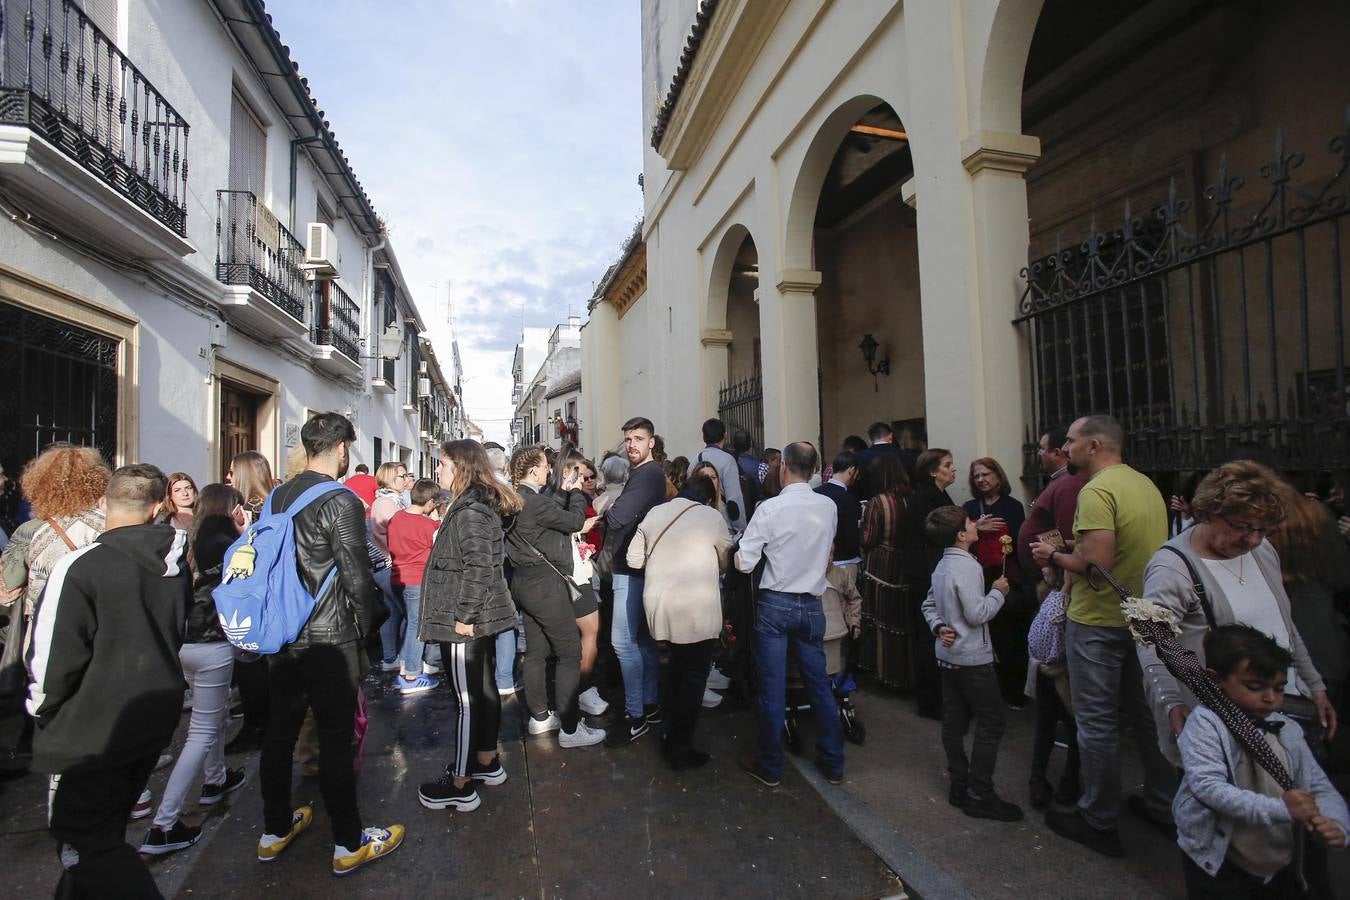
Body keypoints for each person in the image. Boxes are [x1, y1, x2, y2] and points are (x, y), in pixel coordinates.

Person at [26, 464, 188, 897]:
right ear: (158, 507)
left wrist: (42, 714)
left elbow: (51, 657)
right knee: (101, 835)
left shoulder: (79, 568)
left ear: (103, 503)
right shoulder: (174, 561)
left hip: (91, 727)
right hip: (151, 714)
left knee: (85, 843)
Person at [255, 412, 403, 876]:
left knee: (279, 732)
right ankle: (348, 841)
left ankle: (274, 830)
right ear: (341, 448)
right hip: (330, 636)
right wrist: (370, 626)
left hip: (281, 633)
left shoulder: (277, 495)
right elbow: (358, 576)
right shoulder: (341, 500)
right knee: (336, 740)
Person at [1031, 414, 1175, 857]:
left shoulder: (1096, 490)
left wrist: (1052, 553)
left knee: (1096, 723)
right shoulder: (1144, 485)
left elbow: (1097, 566)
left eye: (1071, 441)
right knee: (1147, 716)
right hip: (1141, 618)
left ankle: (1098, 816)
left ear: (1093, 446)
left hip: (1098, 622)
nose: (1065, 448)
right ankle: (1163, 803)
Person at [1138, 462, 1334, 762]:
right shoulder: (1172, 568)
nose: (1253, 539)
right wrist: (1171, 701)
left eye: (1262, 529)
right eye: (1241, 527)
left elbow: (1284, 625)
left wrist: (1314, 686)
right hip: (1225, 722)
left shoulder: (1262, 551)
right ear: (1208, 512)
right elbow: (1152, 642)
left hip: (1284, 709)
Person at [1175, 625, 1348, 899]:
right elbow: (1208, 787)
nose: (1270, 698)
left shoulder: (1287, 729)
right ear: (1215, 679)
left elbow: (1317, 786)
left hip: (1277, 863)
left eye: (1279, 688)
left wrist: (1336, 823)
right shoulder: (1207, 724)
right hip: (1220, 865)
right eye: (1255, 687)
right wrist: (1282, 809)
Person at [140, 483, 248, 856]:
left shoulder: (185, 539)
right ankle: (163, 824)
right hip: (211, 644)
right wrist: (245, 534)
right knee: (200, 731)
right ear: (228, 508)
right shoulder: (225, 544)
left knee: (213, 717)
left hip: (185, 643)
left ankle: (215, 780)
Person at [417, 440, 523, 813]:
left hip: (464, 622)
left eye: (443, 465)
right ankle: (485, 760)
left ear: (460, 468)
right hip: (474, 618)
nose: (438, 473)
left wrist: (463, 616)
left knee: (466, 700)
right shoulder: (470, 506)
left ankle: (461, 784)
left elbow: (479, 567)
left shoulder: (470, 510)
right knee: (482, 689)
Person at [736, 442, 845, 787]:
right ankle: (833, 761)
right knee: (819, 684)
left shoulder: (770, 508)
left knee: (773, 687)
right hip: (812, 603)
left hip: (776, 603)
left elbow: (745, 562)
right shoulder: (827, 506)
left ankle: (770, 765)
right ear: (815, 469)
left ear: (783, 466)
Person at [920, 506, 1020, 821]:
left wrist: (938, 626)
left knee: (953, 722)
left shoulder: (942, 565)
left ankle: (959, 782)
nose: (975, 524)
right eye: (970, 522)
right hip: (972, 659)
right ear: (962, 535)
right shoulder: (967, 568)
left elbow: (929, 603)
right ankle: (980, 791)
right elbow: (977, 614)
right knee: (991, 721)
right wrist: (998, 593)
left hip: (948, 657)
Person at [627, 474, 732, 769]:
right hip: (698, 611)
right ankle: (680, 745)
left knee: (671, 675)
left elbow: (634, 560)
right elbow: (726, 560)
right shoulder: (711, 517)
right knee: (694, 678)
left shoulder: (655, 513)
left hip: (660, 609)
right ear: (709, 499)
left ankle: (669, 734)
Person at [505, 448, 606, 748]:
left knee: (536, 652)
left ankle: (539, 717)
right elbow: (574, 521)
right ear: (534, 471)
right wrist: (575, 491)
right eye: (546, 467)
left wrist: (563, 491)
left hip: (523, 583)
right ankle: (571, 729)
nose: (549, 471)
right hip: (545, 586)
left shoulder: (517, 499)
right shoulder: (533, 502)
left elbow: (549, 519)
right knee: (569, 653)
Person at [602, 417, 667, 745]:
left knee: (623, 643)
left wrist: (608, 505)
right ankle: (650, 705)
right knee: (641, 642)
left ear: (651, 442)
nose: (631, 445)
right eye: (628, 439)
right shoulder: (646, 474)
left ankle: (635, 715)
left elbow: (615, 518)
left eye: (638, 439)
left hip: (631, 571)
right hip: (640, 569)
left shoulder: (647, 474)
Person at [963, 457, 1029, 706]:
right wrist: (977, 528)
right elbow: (961, 540)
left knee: (1010, 635)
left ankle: (1015, 691)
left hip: (1005, 576)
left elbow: (1019, 540)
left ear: (998, 476)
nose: (981, 479)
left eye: (985, 474)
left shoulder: (1012, 506)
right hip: (979, 577)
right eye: (977, 476)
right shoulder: (970, 507)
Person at [901, 448, 959, 718]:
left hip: (931, 570)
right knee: (929, 635)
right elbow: (935, 533)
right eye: (948, 464)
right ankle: (931, 700)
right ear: (934, 471)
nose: (954, 468)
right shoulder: (925, 499)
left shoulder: (937, 495)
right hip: (926, 574)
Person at [551, 446, 609, 717]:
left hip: (573, 573)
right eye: (582, 476)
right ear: (568, 472)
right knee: (590, 632)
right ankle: (581, 691)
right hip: (572, 576)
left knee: (584, 635)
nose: (586, 481)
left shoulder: (556, 497)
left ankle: (578, 691)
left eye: (589, 477)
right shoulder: (561, 500)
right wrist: (581, 528)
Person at [387, 479, 444, 695]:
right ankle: (411, 673)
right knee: (416, 627)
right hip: (417, 580)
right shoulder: (427, 525)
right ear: (430, 502)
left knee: (409, 622)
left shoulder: (396, 518)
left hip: (397, 577)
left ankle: (407, 663)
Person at [1015, 425, 1089, 576]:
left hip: (1053, 576)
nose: (1039, 454)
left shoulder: (1069, 483)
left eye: (1042, 449)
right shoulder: (1059, 481)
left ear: (1056, 453)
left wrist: (1056, 572)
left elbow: (1068, 531)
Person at [370, 462, 412, 673]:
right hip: (389, 565)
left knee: (392, 612)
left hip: (382, 565)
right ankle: (406, 659)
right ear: (389, 478)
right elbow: (399, 535)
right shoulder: (388, 503)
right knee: (409, 613)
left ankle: (389, 659)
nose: (406, 480)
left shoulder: (387, 501)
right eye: (401, 476)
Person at [816, 450, 863, 582]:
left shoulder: (815, 493)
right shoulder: (849, 499)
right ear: (851, 470)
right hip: (845, 561)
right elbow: (851, 534)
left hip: (818, 561)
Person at [695, 418, 748, 533]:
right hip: (723, 524)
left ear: (704, 438)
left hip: (699, 523)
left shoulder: (695, 460)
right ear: (725, 435)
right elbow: (734, 499)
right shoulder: (728, 460)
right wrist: (741, 528)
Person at [856, 421, 920, 496]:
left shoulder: (859, 457)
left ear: (870, 439)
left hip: (871, 501)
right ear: (890, 436)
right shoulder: (906, 455)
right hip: (902, 500)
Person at [226, 451, 273, 525]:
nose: (228, 477)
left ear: (244, 476)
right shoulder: (276, 502)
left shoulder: (248, 511)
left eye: (231, 473)